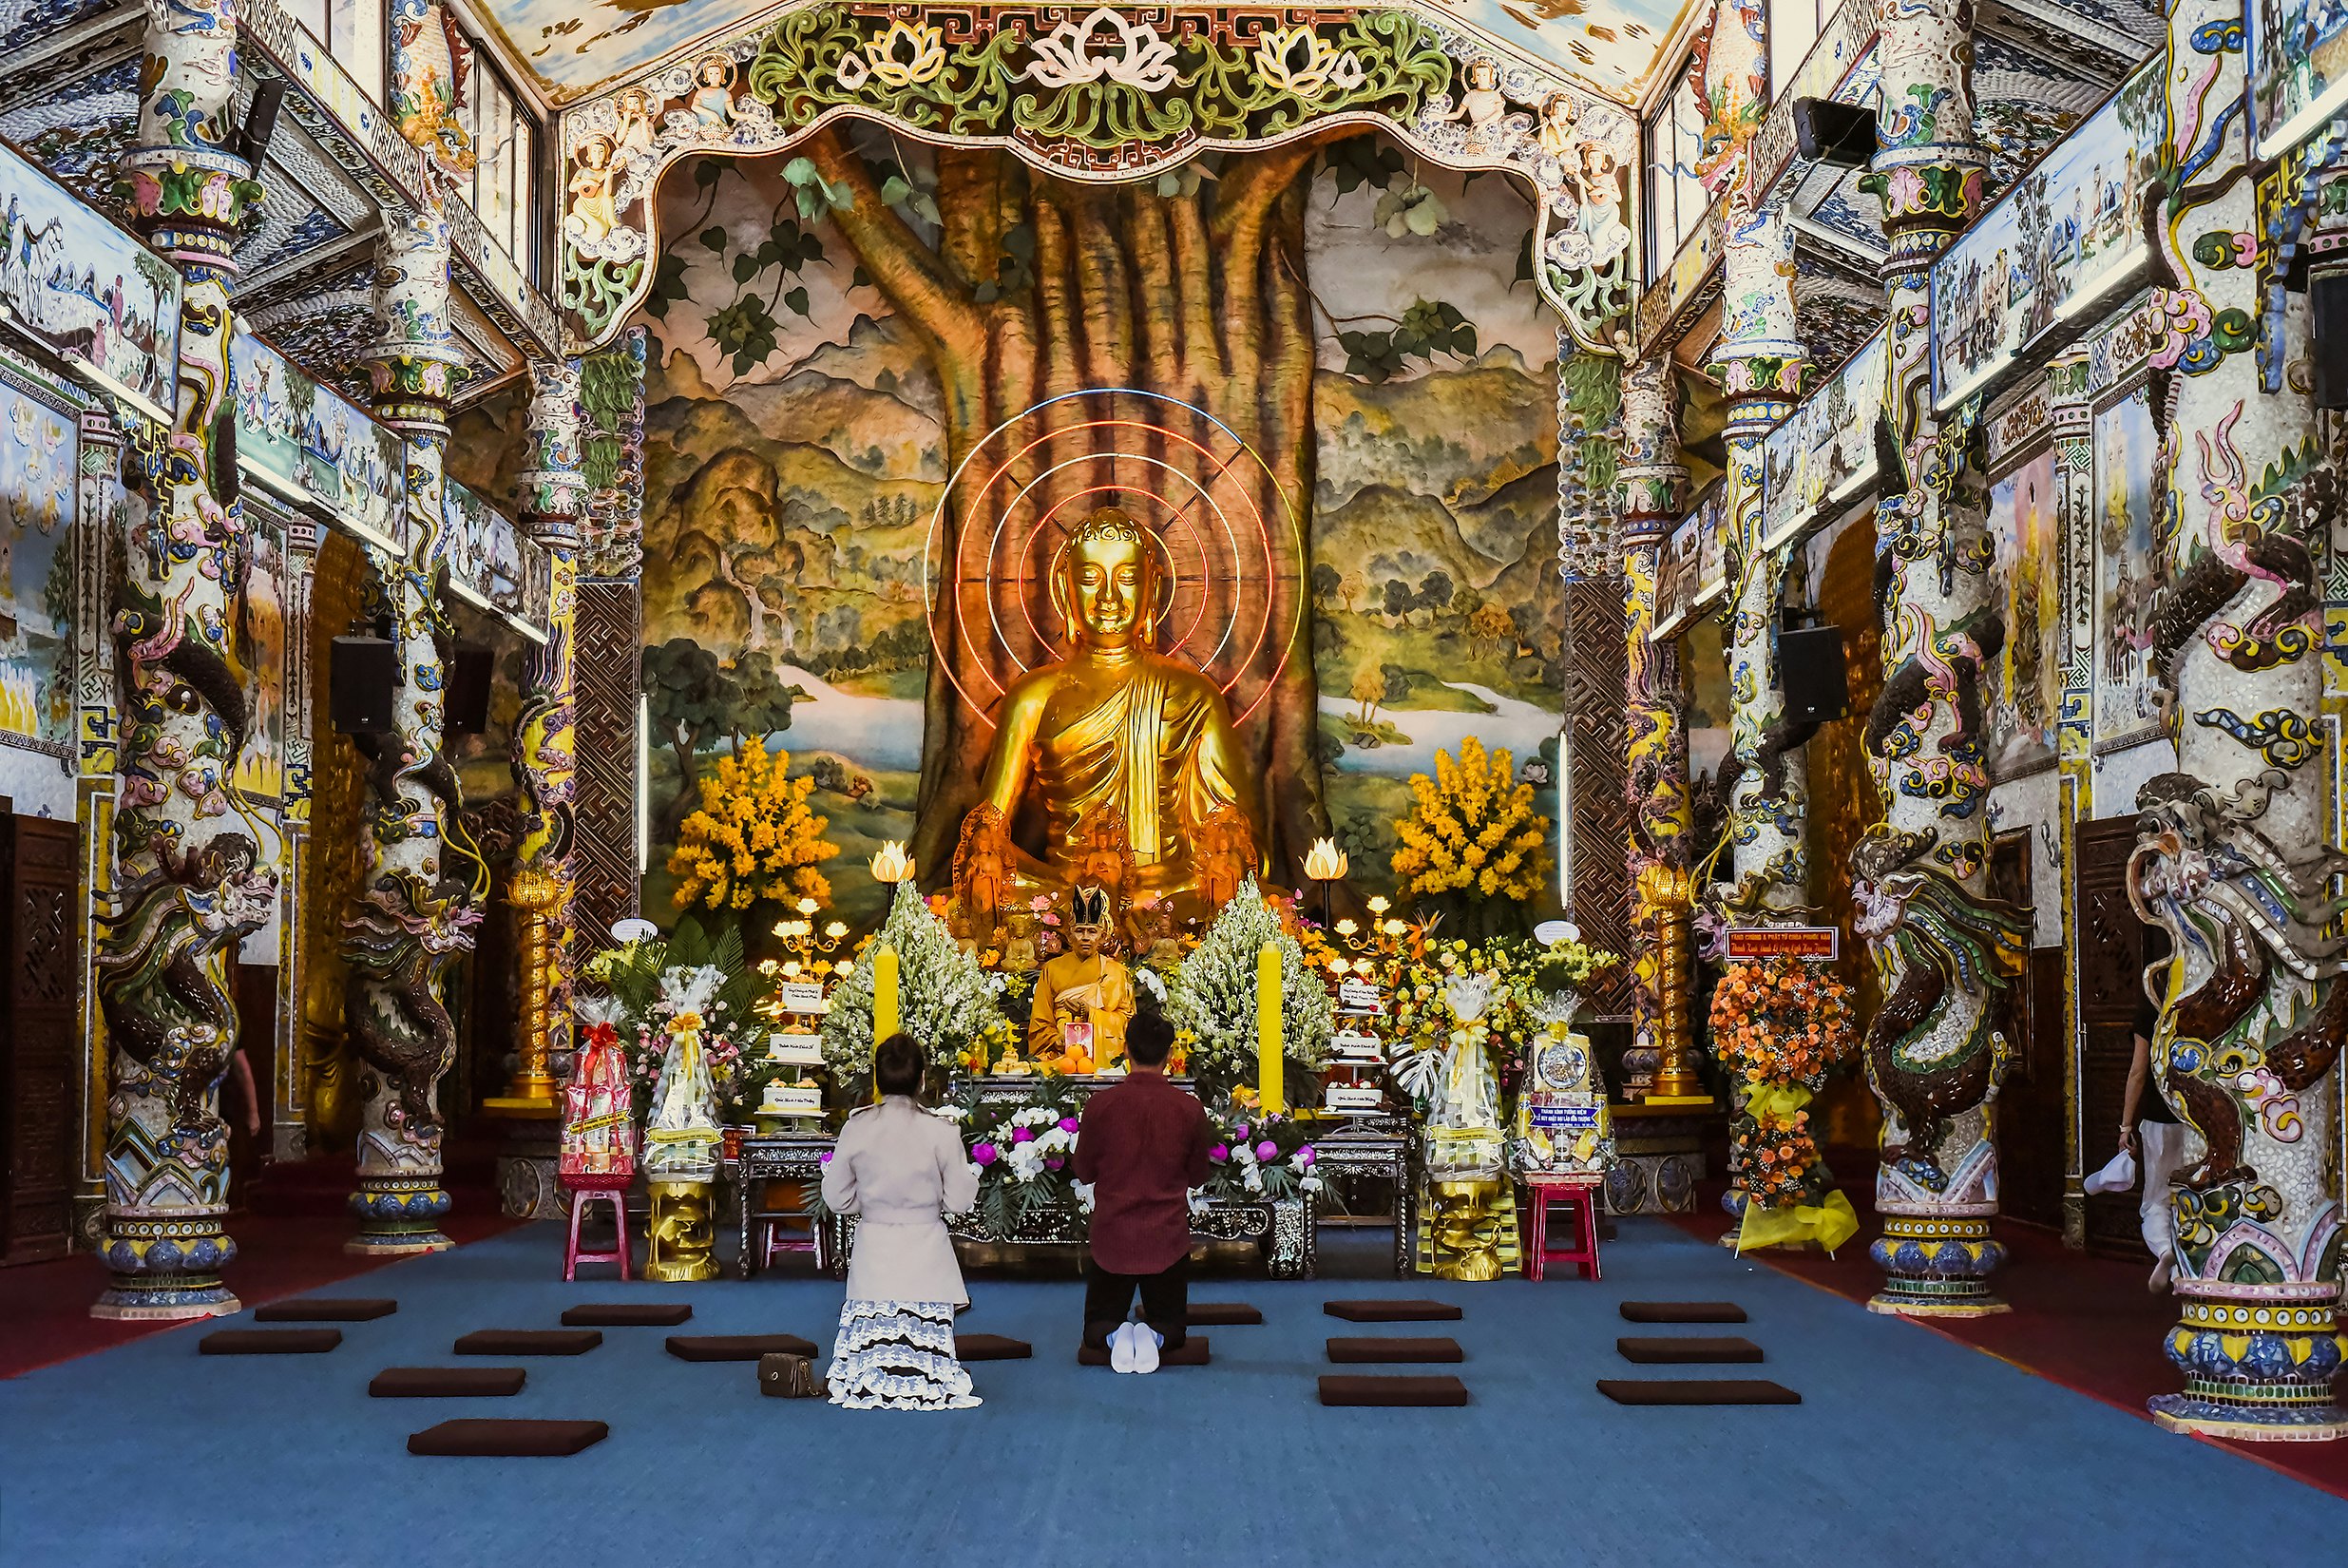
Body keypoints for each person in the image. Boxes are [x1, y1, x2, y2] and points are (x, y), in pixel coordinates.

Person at [820, 1033, 982, 1409]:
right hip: (927, 1256)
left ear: (877, 1079)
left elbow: (836, 1197)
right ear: (922, 1079)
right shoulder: (941, 1131)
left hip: (873, 1254)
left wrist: (873, 1204)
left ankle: (867, 1378)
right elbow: (960, 1201)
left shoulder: (857, 1128)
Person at [1072, 1011, 1212, 1374]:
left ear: (1125, 1048)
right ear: (1169, 1053)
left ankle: (1117, 1336)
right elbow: (1198, 1176)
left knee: (1095, 1330)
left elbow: (1083, 1171)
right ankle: (1155, 1335)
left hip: (1112, 1237)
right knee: (1173, 1329)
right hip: (1165, 1238)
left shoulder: (1100, 1106)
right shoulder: (1189, 1108)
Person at [2120, 926, 2185, 1292]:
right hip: (2200, 1117)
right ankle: (2191, 1270)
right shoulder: (2201, 997)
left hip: (2159, 1117)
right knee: (2193, 1195)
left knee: (2156, 1201)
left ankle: (2165, 1253)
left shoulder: (2153, 1001)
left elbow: (2138, 1071)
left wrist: (2125, 1126)